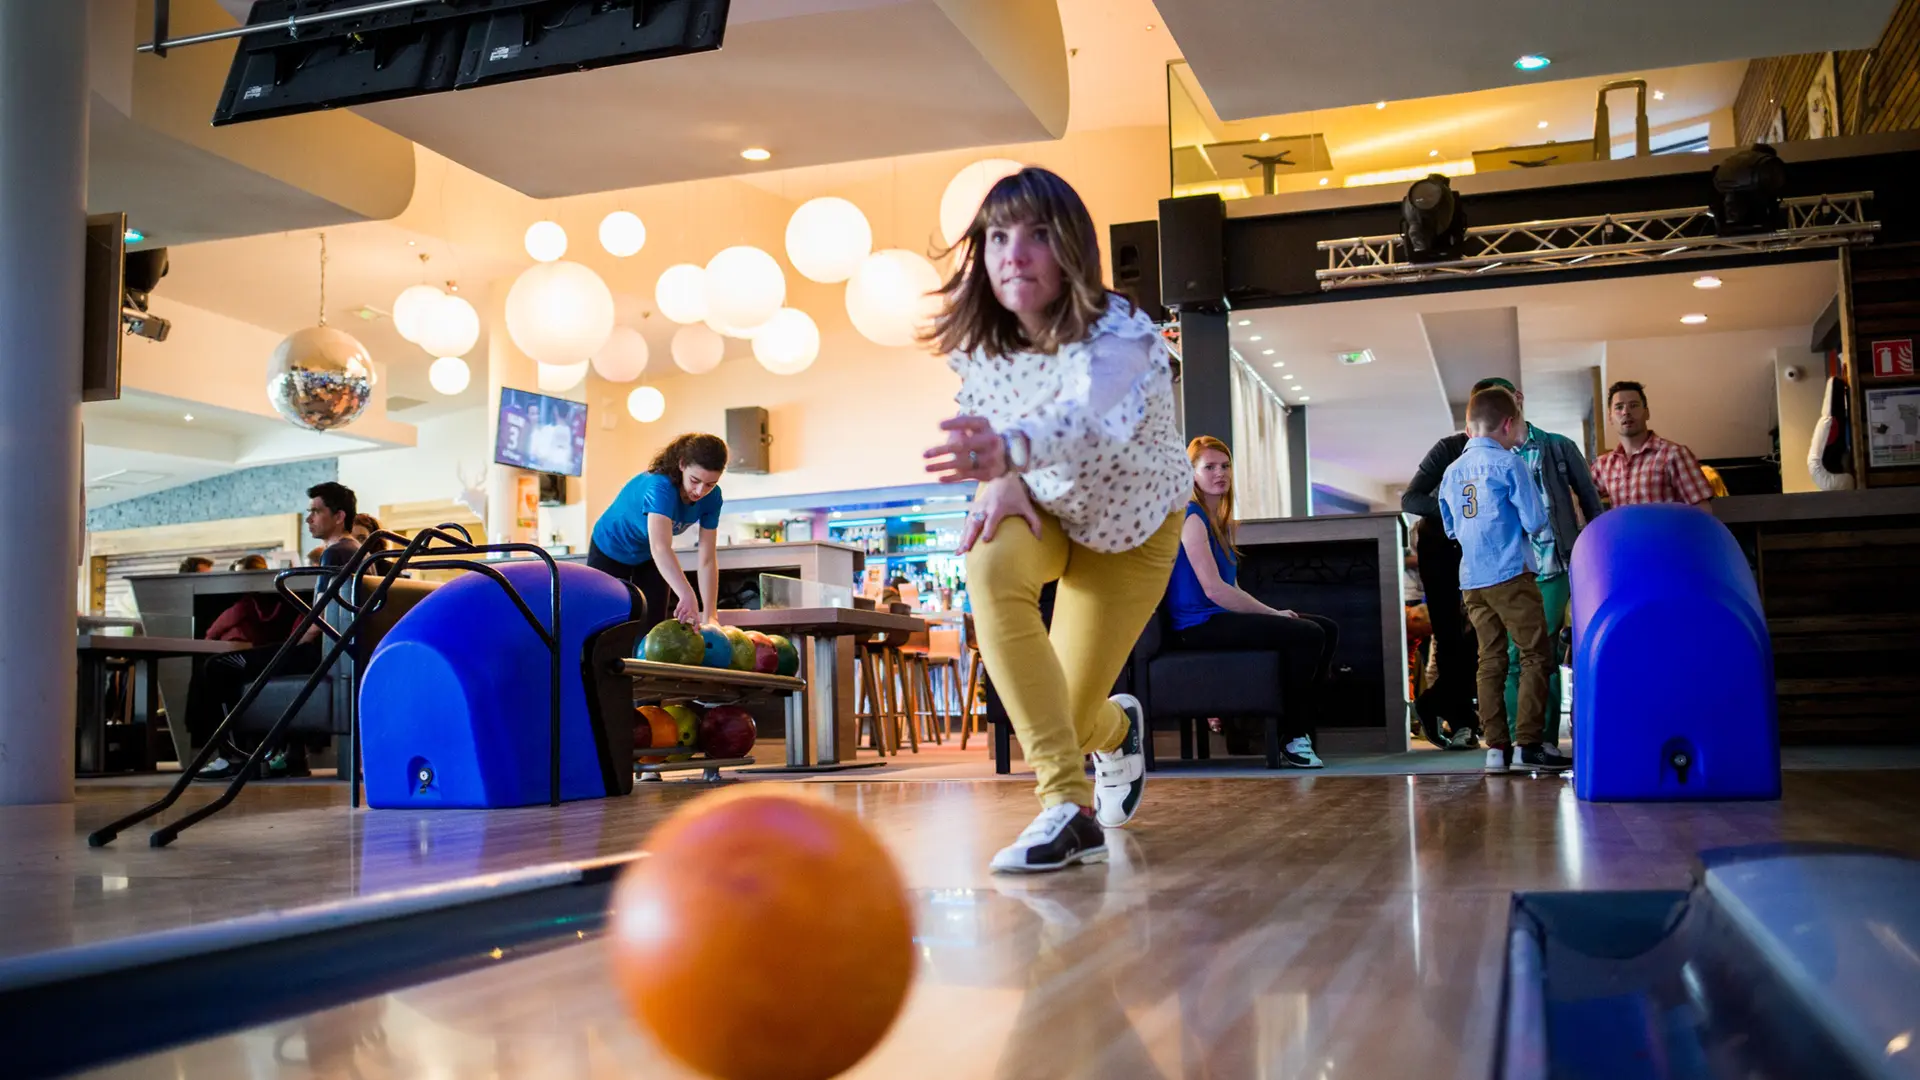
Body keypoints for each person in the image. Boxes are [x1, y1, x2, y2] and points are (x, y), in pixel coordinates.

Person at [921, 166, 1189, 873]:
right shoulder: (982, 344)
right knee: (984, 560)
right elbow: (996, 415)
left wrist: (1008, 451)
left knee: (1067, 719)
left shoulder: (1123, 337)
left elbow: (1086, 419)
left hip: (1131, 530)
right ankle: (1067, 807)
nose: (1015, 253)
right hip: (1045, 506)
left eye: (1038, 235)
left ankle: (1114, 726)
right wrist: (1002, 476)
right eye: (1000, 236)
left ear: (1072, 248)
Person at [1167, 436, 1332, 768]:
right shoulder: (1192, 517)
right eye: (1209, 467)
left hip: (1217, 618)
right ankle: (1292, 736)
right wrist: (1274, 615)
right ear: (1191, 473)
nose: (1220, 474)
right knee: (1308, 633)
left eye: (1225, 466)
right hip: (1196, 626)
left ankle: (1299, 730)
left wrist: (1274, 615)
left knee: (1328, 628)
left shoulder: (1222, 521)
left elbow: (1234, 586)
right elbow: (1214, 591)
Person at [1436, 387, 1571, 775]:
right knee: (1534, 654)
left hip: (1472, 580)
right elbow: (1535, 521)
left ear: (1468, 426)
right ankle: (1528, 744)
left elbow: (1449, 528)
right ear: (1509, 424)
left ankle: (1496, 748)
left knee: (1490, 659)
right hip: (1511, 573)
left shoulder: (1451, 471)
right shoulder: (1510, 465)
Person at [189, 481, 360, 781]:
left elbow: (316, 623)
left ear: (339, 516)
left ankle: (233, 757)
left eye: (317, 511)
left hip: (316, 654)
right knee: (236, 666)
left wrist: (287, 646)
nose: (310, 518)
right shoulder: (355, 550)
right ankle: (252, 756)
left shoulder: (334, 554)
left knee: (218, 666)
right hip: (338, 653)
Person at [1401, 376, 1520, 750]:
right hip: (1439, 546)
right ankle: (1461, 720)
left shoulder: (1511, 452)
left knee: (1479, 637)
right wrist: (1456, 512)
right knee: (1451, 635)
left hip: (1483, 553)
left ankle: (1438, 705)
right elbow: (1411, 498)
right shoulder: (1449, 448)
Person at [1501, 384, 1603, 749]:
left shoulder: (1557, 445)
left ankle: (1538, 740)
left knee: (1536, 651)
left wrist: (1595, 559)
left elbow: (1591, 503)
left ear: (1519, 399)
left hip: (1555, 565)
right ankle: (1522, 740)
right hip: (1511, 571)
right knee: (1517, 655)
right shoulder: (1489, 455)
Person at [589, 433, 726, 631]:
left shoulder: (713, 498)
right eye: (694, 480)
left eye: (710, 484)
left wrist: (711, 615)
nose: (699, 491)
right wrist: (687, 594)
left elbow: (707, 559)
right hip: (610, 548)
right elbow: (661, 547)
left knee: (654, 626)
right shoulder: (660, 487)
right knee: (606, 626)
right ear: (682, 465)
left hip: (648, 555)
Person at [1590, 381, 1715, 508]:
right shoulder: (1604, 465)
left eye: (1633, 405)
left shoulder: (1674, 454)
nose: (1626, 412)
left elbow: (1702, 508)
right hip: (1623, 528)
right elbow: (1581, 496)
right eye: (1619, 407)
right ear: (1610, 417)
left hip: (1667, 528)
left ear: (1647, 413)